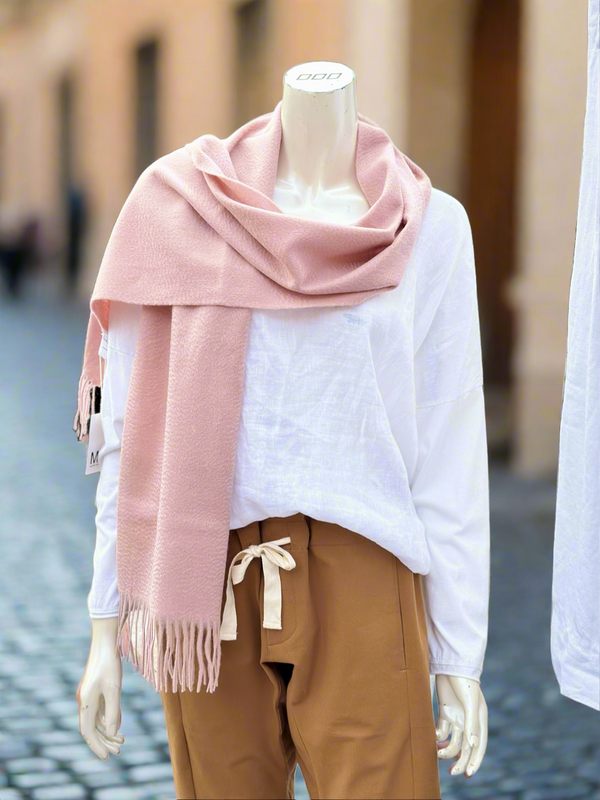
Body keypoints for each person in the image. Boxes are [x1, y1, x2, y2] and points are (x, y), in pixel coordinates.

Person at [76, 61, 490, 800]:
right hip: (205, 580)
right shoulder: (179, 208)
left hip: (364, 573)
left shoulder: (431, 227)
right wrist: (104, 624)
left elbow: (449, 444)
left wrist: (459, 654)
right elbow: (130, 434)